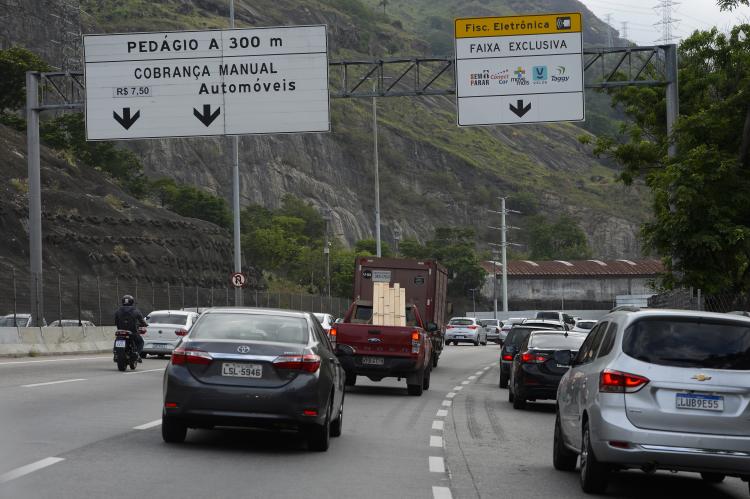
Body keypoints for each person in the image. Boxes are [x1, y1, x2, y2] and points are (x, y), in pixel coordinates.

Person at [114, 294, 147, 362]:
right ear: (132, 302)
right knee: (140, 342)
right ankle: (137, 354)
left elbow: (115, 321)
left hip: (120, 332)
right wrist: (145, 324)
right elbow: (142, 321)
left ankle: (115, 353)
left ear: (123, 302)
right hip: (132, 332)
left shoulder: (118, 311)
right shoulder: (136, 310)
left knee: (117, 339)